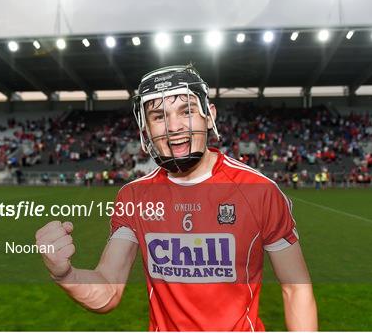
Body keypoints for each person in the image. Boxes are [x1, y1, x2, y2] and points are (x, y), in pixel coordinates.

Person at [35, 65, 317, 331]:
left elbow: (296, 289)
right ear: (146, 129)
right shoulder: (134, 196)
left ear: (210, 115)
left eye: (187, 111)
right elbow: (108, 291)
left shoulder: (259, 190)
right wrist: (65, 275)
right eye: (159, 116)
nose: (174, 126)